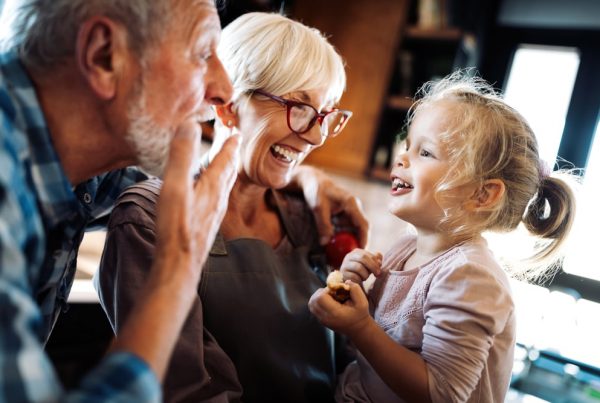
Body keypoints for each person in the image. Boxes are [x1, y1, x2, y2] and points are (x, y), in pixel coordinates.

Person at [0, 1, 367, 401]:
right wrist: (176, 270)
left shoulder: (80, 175)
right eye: (202, 53)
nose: (221, 92)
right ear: (105, 56)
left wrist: (294, 172)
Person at [96, 12, 359, 403]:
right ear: (229, 105)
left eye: (325, 115)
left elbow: (349, 365)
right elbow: (190, 392)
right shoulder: (149, 219)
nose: (317, 136)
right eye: (299, 108)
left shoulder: (310, 218)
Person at [309, 71, 578, 403]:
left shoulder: (470, 276)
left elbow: (442, 393)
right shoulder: (405, 249)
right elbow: (374, 357)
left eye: (425, 153)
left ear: (483, 195)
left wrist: (360, 326)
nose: (401, 157)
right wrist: (352, 296)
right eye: (408, 145)